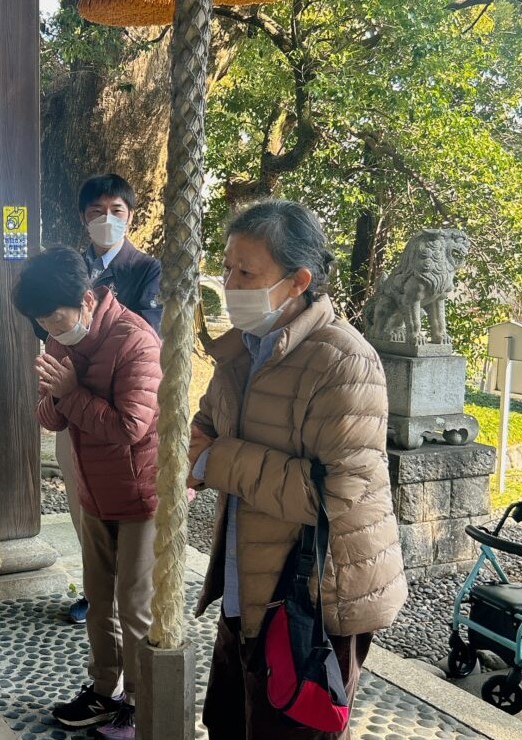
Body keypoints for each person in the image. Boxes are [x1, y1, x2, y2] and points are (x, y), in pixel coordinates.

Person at [188, 200, 408, 740]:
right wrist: (198, 447)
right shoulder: (242, 349)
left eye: (247, 272)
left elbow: (335, 496)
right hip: (249, 579)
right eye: (226, 266)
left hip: (315, 596)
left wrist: (216, 460)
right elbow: (208, 425)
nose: (230, 281)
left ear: (297, 281)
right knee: (226, 722)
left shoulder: (344, 361)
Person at [12, 247, 161, 739]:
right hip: (94, 490)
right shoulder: (59, 341)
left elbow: (131, 427)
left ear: (88, 299)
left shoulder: (136, 339)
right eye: (44, 325)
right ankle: (104, 690)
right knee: (99, 600)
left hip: (141, 494)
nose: (53, 332)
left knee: (135, 604)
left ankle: (140, 704)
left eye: (57, 319)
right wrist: (57, 395)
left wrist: (70, 392)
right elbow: (48, 416)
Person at [34, 173, 162, 624]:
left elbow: (149, 333)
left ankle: (130, 605)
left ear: (130, 216)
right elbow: (49, 333)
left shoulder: (145, 268)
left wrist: (81, 368)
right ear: (83, 218)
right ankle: (95, 593)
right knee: (81, 495)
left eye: (116, 211)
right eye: (96, 212)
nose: (106, 220)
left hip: (122, 403)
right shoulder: (68, 266)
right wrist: (62, 382)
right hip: (76, 411)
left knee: (133, 541)